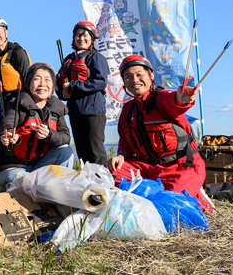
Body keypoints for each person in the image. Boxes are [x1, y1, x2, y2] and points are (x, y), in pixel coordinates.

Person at [104, 54, 211, 211]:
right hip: (147, 168)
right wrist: (120, 155)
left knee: (170, 204)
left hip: (180, 166)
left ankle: (197, 196)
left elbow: (174, 101)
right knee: (103, 177)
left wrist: (182, 98)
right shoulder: (127, 110)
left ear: (151, 75)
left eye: (139, 74)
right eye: (128, 77)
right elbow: (125, 140)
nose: (134, 80)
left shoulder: (161, 98)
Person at [0, 63, 74, 190]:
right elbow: (8, 124)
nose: (42, 84)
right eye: (37, 79)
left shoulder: (57, 108)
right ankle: (21, 189)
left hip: (40, 166)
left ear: (53, 86)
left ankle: (61, 190)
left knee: (65, 150)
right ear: (28, 83)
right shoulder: (16, 103)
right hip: (12, 167)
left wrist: (49, 135)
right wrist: (9, 136)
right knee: (25, 183)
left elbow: (65, 137)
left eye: (47, 80)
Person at [55, 21, 109, 165]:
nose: (81, 38)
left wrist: (72, 86)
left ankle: (104, 182)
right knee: (82, 152)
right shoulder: (68, 59)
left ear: (92, 39)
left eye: (85, 35)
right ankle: (87, 183)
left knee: (95, 150)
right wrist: (62, 93)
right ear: (73, 38)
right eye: (78, 35)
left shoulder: (96, 57)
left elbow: (100, 81)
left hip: (93, 111)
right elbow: (59, 82)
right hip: (75, 111)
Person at [0, 17, 32, 131]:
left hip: (20, 101)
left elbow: (28, 79)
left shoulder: (17, 52)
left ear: (6, 33)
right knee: (3, 138)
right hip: (3, 104)